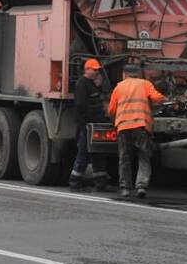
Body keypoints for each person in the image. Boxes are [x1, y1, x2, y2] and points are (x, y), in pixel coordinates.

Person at [108, 63, 164, 199]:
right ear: (138, 74)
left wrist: (114, 119)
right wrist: (166, 99)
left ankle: (125, 188)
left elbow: (111, 109)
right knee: (144, 156)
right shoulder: (145, 84)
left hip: (123, 127)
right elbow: (157, 98)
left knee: (124, 158)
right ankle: (141, 186)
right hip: (140, 126)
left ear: (124, 74)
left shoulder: (119, 87)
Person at [70, 59, 113, 192]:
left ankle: (101, 182)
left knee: (98, 152)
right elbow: (81, 105)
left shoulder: (91, 83)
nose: (96, 72)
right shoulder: (82, 84)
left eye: (97, 70)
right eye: (94, 70)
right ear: (87, 69)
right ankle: (75, 182)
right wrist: (88, 120)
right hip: (87, 125)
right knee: (84, 152)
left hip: (93, 123)